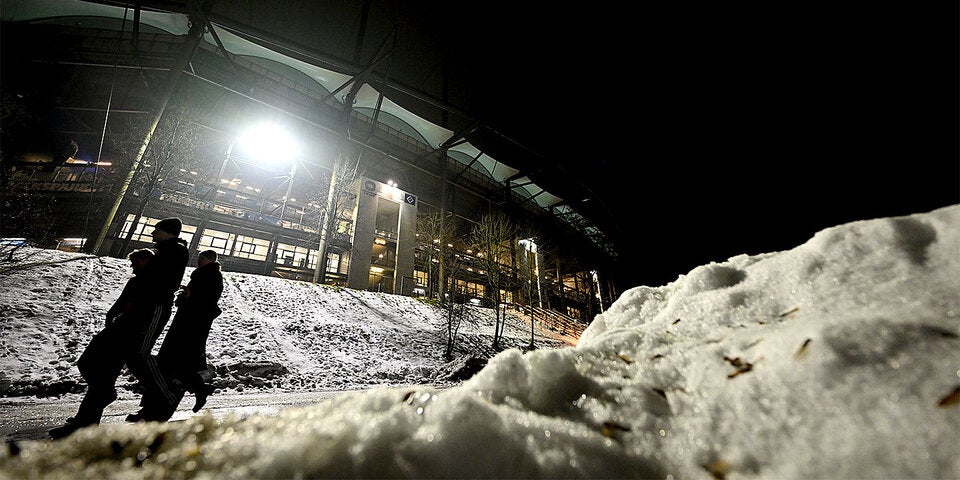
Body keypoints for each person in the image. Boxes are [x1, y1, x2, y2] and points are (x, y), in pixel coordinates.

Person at [49, 218, 189, 439]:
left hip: (152, 311)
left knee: (137, 357)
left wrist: (147, 283)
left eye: (157, 230)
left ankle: (168, 393)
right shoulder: (161, 254)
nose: (152, 234)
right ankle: (93, 410)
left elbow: (163, 283)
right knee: (95, 359)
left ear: (168, 233)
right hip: (134, 314)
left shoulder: (175, 251)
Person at [49, 248, 154, 439]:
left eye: (136, 262)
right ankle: (88, 417)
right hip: (119, 330)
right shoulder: (138, 281)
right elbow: (122, 303)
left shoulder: (150, 283)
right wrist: (111, 317)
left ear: (146, 260)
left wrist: (119, 320)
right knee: (97, 374)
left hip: (126, 334)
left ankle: (86, 421)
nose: (132, 266)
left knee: (97, 372)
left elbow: (137, 309)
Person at [152, 249, 223, 416]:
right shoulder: (203, 275)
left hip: (192, 323)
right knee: (178, 363)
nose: (199, 260)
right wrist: (185, 296)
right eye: (199, 258)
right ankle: (197, 390)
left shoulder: (211, 276)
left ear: (211, 259)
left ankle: (160, 407)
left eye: (202, 258)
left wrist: (189, 296)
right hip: (188, 321)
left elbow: (207, 300)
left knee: (176, 362)